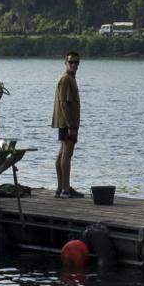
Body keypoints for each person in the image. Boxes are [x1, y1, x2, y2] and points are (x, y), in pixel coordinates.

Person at [51, 51, 81, 197]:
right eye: (71, 62)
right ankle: (65, 189)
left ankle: (60, 188)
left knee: (62, 153)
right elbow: (63, 103)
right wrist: (70, 125)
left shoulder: (69, 78)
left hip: (67, 122)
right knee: (66, 154)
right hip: (67, 122)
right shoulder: (65, 79)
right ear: (65, 62)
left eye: (76, 62)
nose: (74, 65)